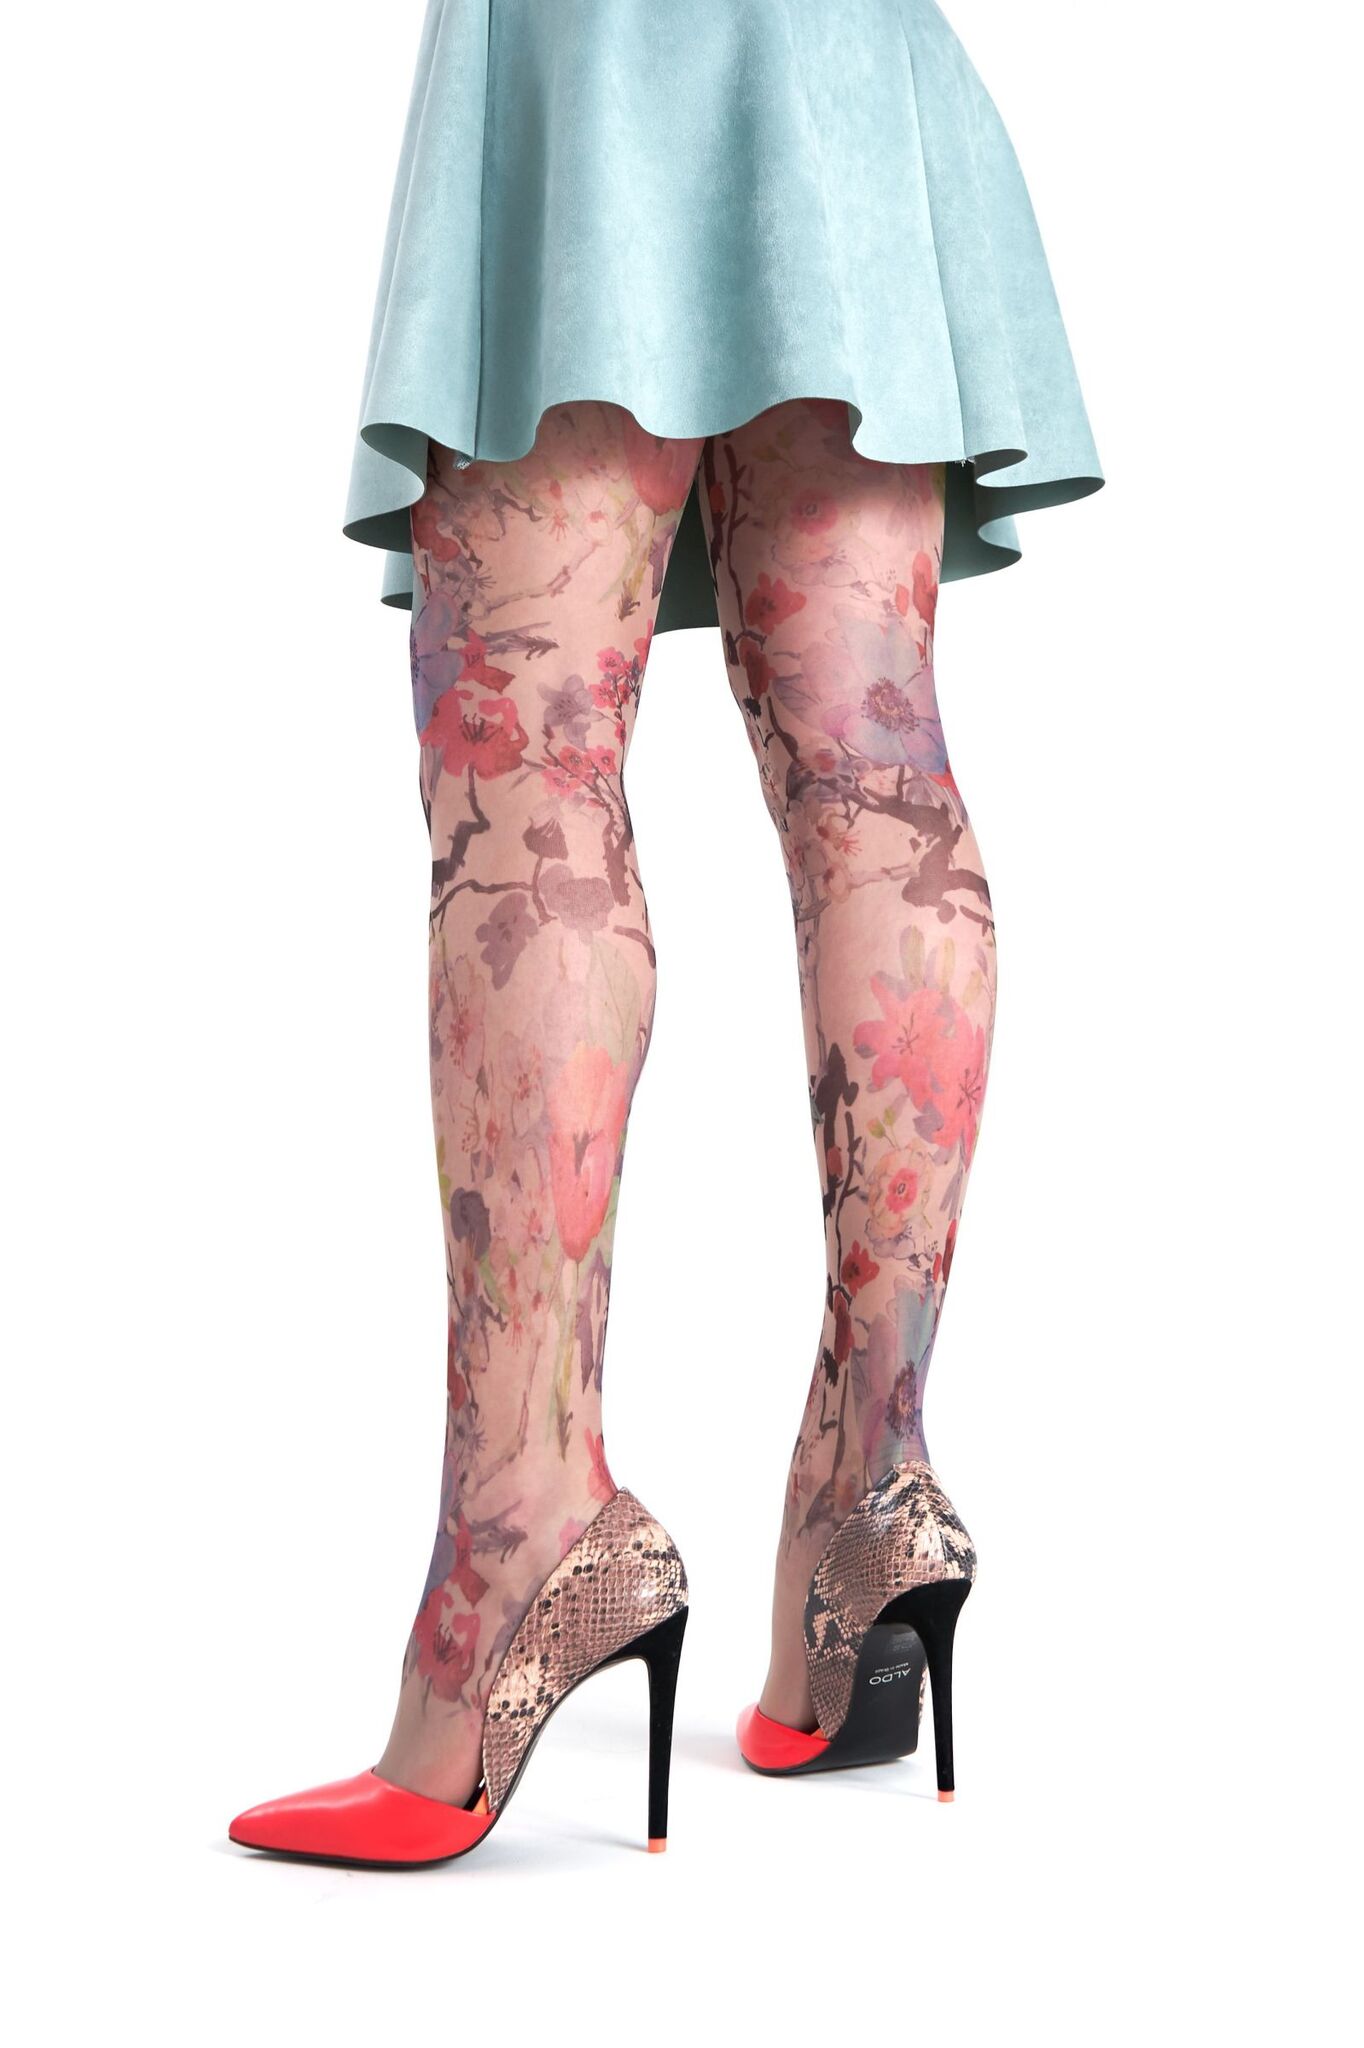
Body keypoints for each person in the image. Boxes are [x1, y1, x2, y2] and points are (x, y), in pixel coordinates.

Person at [229, 0, 1102, 1867]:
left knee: (526, 771)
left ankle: (520, 1540)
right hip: (844, 67)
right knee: (875, 772)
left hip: (595, 53)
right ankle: (877, 1490)